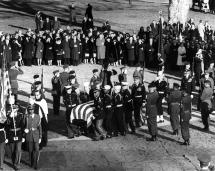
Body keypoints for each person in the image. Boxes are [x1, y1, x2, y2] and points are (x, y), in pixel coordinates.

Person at [6, 95, 25, 170]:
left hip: (19, 134)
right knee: (13, 150)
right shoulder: (9, 117)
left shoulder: (20, 116)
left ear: (17, 109)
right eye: (13, 109)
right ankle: (14, 162)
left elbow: (22, 126)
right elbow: (7, 127)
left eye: (15, 109)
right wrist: (10, 117)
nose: (14, 111)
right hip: (11, 135)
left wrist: (23, 136)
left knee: (18, 150)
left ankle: (17, 164)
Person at [24, 104, 42, 170]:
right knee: (30, 151)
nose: (31, 111)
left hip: (36, 136)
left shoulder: (38, 117)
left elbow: (40, 127)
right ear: (28, 110)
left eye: (32, 110)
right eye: (29, 110)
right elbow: (24, 125)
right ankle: (32, 163)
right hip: (29, 136)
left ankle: (36, 164)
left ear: (34, 110)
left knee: (37, 150)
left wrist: (40, 137)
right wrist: (25, 130)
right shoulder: (26, 117)